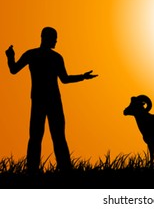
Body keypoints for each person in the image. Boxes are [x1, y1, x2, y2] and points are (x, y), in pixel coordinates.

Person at [5, 27, 98, 173]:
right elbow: (65, 80)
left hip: (39, 100)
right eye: (54, 38)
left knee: (37, 136)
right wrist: (83, 77)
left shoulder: (32, 54)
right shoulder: (55, 57)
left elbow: (13, 69)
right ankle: (63, 169)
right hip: (52, 100)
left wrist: (10, 57)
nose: (56, 41)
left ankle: (34, 170)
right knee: (56, 136)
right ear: (45, 37)